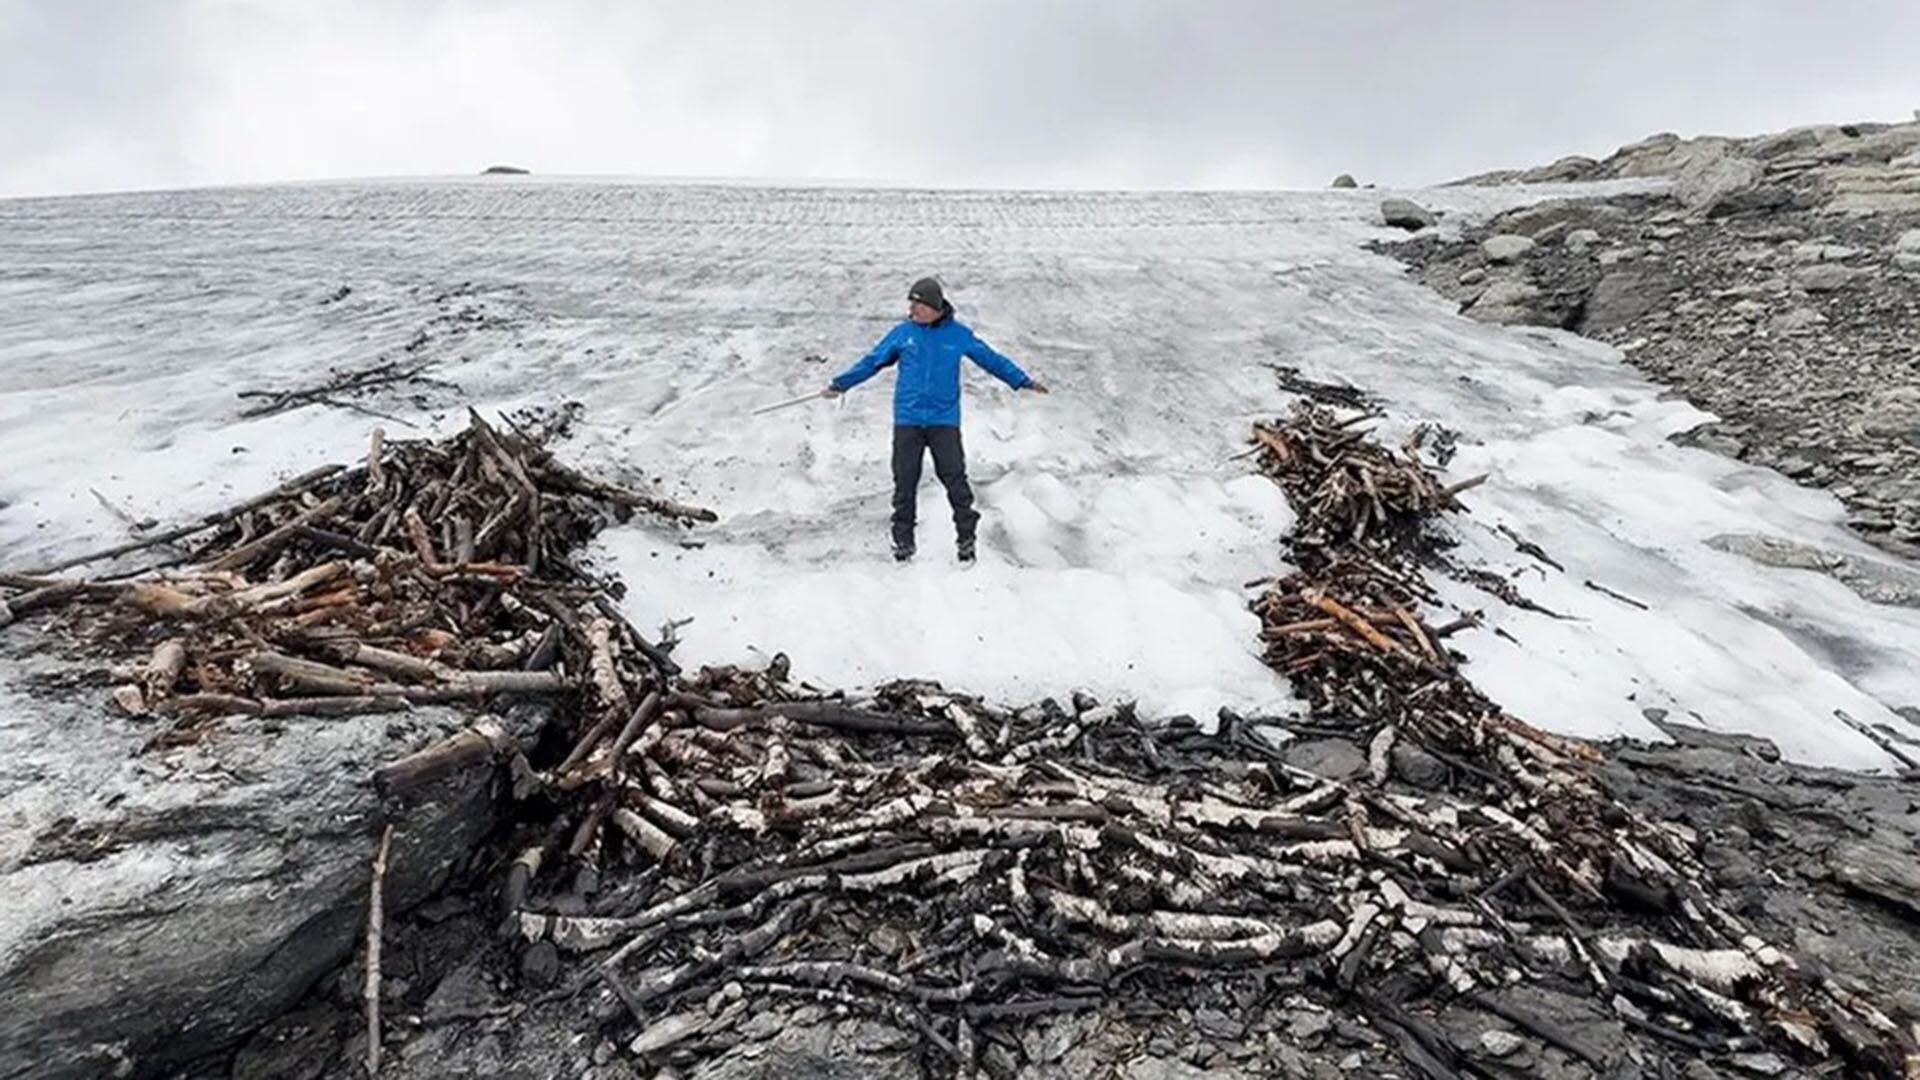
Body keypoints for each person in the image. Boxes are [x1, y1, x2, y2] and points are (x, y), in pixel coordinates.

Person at [824, 277, 1049, 563]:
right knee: (905, 483)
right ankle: (903, 544)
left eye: (918, 304)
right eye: (911, 303)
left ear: (935, 306)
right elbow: (872, 361)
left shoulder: (958, 335)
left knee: (955, 480)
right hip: (908, 420)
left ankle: (966, 539)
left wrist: (1022, 380)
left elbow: (992, 359)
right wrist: (841, 384)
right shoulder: (903, 334)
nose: (912, 309)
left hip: (944, 421)